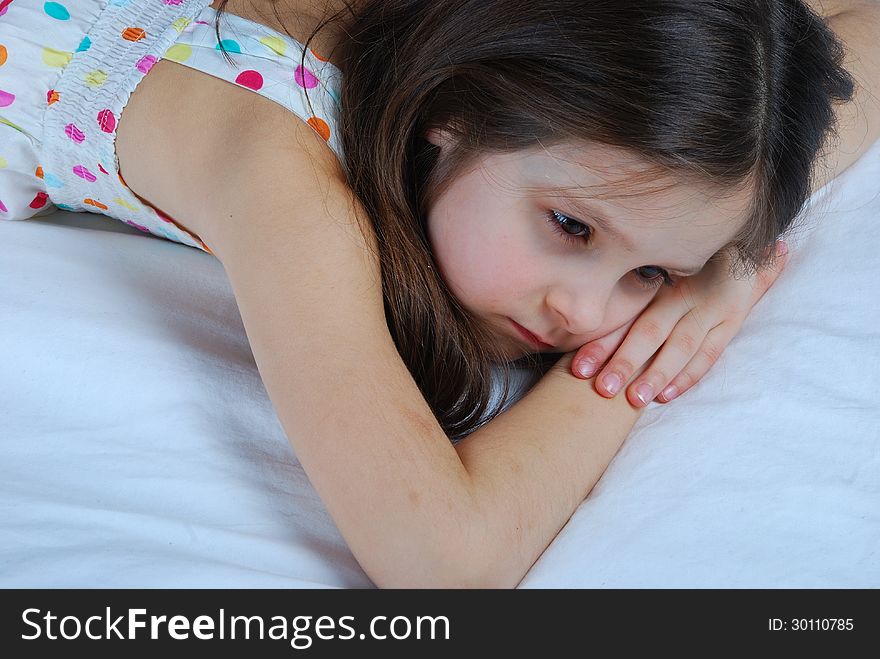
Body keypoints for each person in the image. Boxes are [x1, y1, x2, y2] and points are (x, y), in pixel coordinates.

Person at [0, 0, 873, 587]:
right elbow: (440, 560)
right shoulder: (282, 178)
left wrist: (732, 261)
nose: (586, 313)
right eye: (571, 228)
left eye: (648, 276)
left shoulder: (520, 72)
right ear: (448, 117)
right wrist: (647, 354)